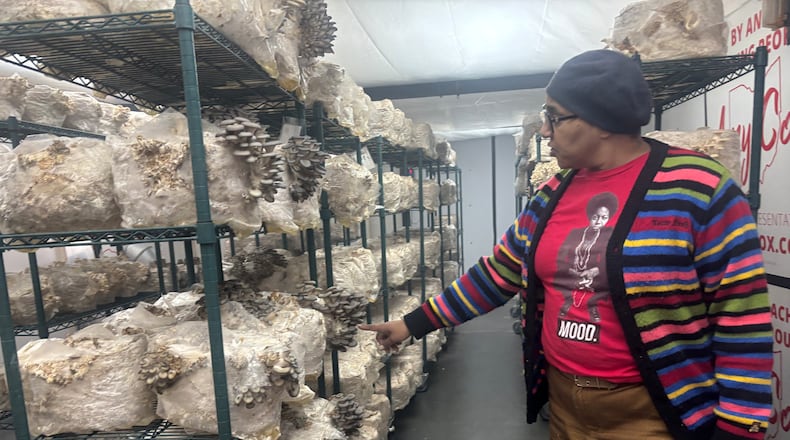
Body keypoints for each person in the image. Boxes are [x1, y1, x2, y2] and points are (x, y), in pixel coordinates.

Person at [359, 49, 773, 440]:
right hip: (566, 403)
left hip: (654, 412)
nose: (544, 130)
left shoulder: (698, 189)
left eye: (554, 117)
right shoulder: (553, 193)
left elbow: (740, 312)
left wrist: (740, 424)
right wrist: (413, 324)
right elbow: (499, 272)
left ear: (603, 119)